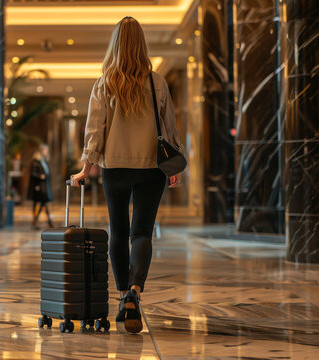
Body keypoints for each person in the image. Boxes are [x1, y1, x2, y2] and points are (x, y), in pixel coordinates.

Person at [70, 16, 184, 333]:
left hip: (115, 167)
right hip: (151, 168)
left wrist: (85, 167)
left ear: (115, 44)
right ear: (142, 45)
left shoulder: (104, 82)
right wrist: (173, 165)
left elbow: (95, 130)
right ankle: (135, 291)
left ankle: (122, 295)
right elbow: (170, 127)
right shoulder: (157, 82)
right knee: (142, 233)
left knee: (118, 231)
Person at [28, 144, 54, 229]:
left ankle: (39, 221)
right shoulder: (36, 161)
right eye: (45, 150)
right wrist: (40, 176)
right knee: (40, 204)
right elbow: (33, 173)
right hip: (38, 187)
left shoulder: (44, 161)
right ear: (41, 151)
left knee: (44, 204)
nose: (47, 152)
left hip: (44, 186)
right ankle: (37, 221)